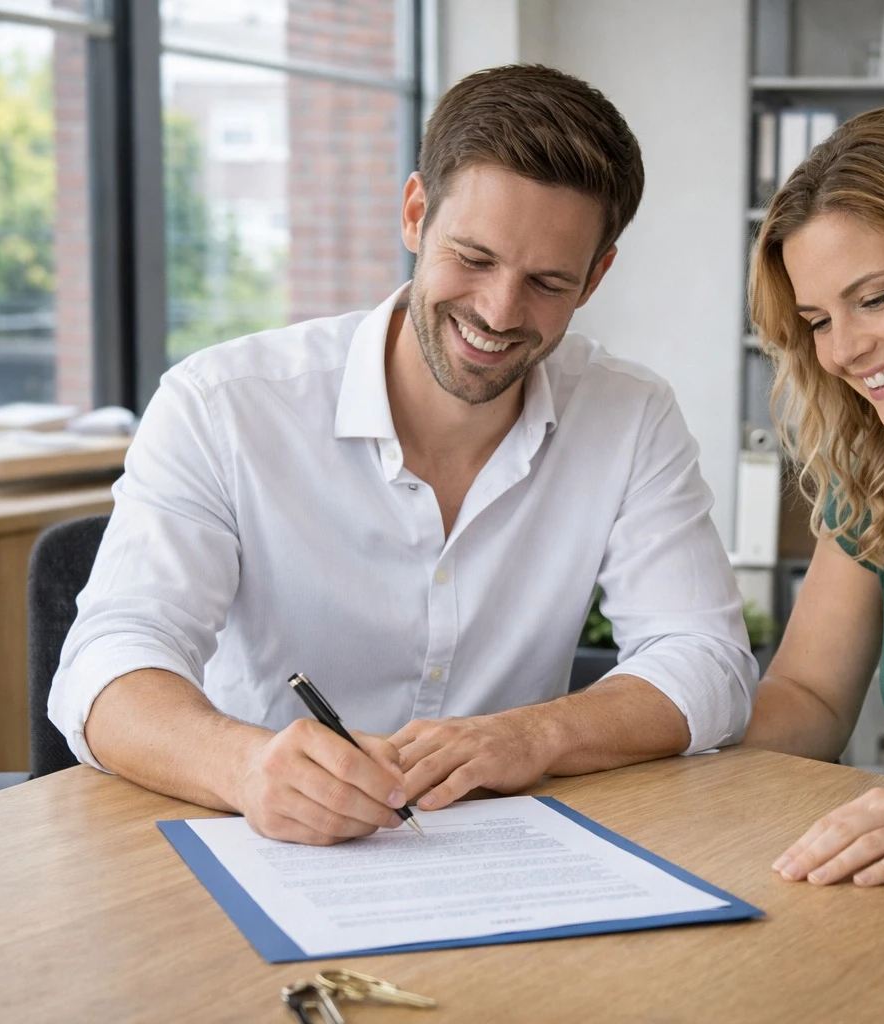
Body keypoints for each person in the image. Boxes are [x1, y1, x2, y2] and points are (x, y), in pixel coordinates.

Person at [49, 64, 756, 846]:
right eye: (476, 258)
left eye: (548, 281)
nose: (498, 312)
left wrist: (532, 735)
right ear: (416, 214)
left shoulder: (629, 415)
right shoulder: (223, 405)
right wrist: (245, 767)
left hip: (502, 856)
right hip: (257, 845)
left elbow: (708, 662)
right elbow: (105, 666)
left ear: (595, 277)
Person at [744, 105, 884, 887]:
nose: (843, 350)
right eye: (817, 321)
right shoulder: (876, 478)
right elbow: (809, 696)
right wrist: (600, 734)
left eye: (876, 297)